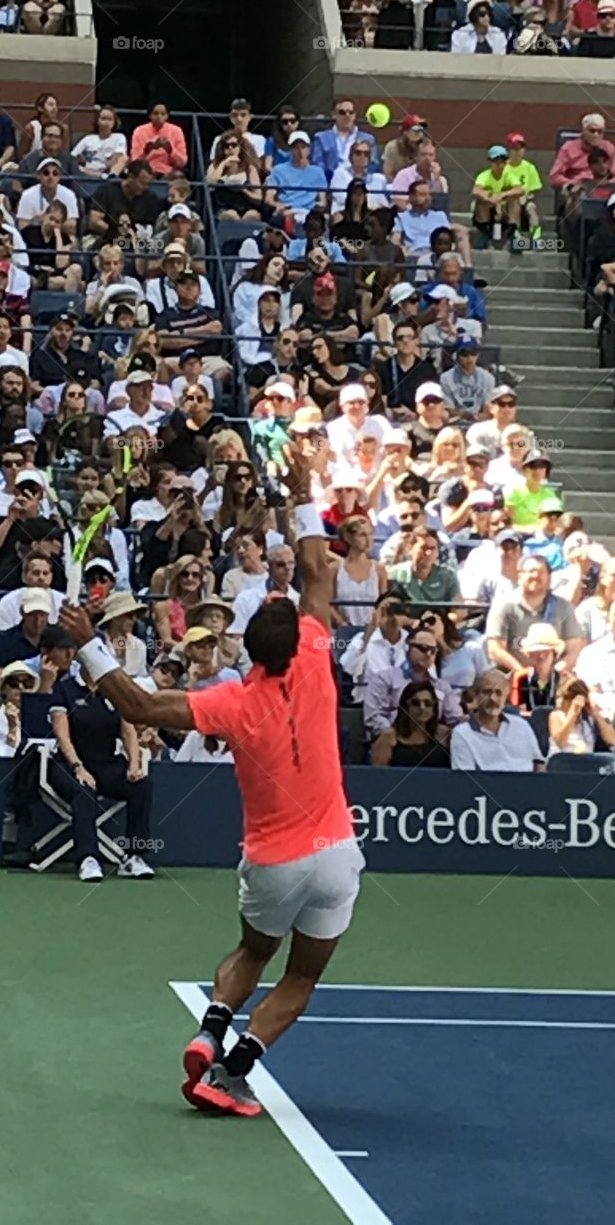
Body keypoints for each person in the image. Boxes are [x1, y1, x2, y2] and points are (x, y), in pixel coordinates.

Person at [58, 440, 364, 1118]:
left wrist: (84, 640)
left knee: (253, 949)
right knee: (302, 975)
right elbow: (315, 562)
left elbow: (137, 706)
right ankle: (233, 1068)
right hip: (336, 855)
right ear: (299, 638)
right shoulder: (316, 653)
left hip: (272, 862)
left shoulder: (229, 701)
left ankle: (209, 1030)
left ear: (249, 645)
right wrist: (306, 482)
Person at [450, 669, 545, 771]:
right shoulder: (462, 734)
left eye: (498, 693)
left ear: (506, 697)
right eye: (487, 692)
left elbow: (539, 764)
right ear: (475, 695)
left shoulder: (522, 726)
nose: (493, 698)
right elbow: (465, 781)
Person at [370, 680, 450, 767]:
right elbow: (378, 774)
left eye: (428, 703)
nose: (422, 708)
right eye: (415, 703)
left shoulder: (444, 734)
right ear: (405, 707)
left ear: (434, 709)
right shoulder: (389, 736)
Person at [547, 675, 615, 756]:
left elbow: (612, 740)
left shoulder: (588, 720)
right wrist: (573, 714)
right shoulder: (556, 716)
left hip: (586, 763)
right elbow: (560, 743)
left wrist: (596, 714)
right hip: (563, 762)